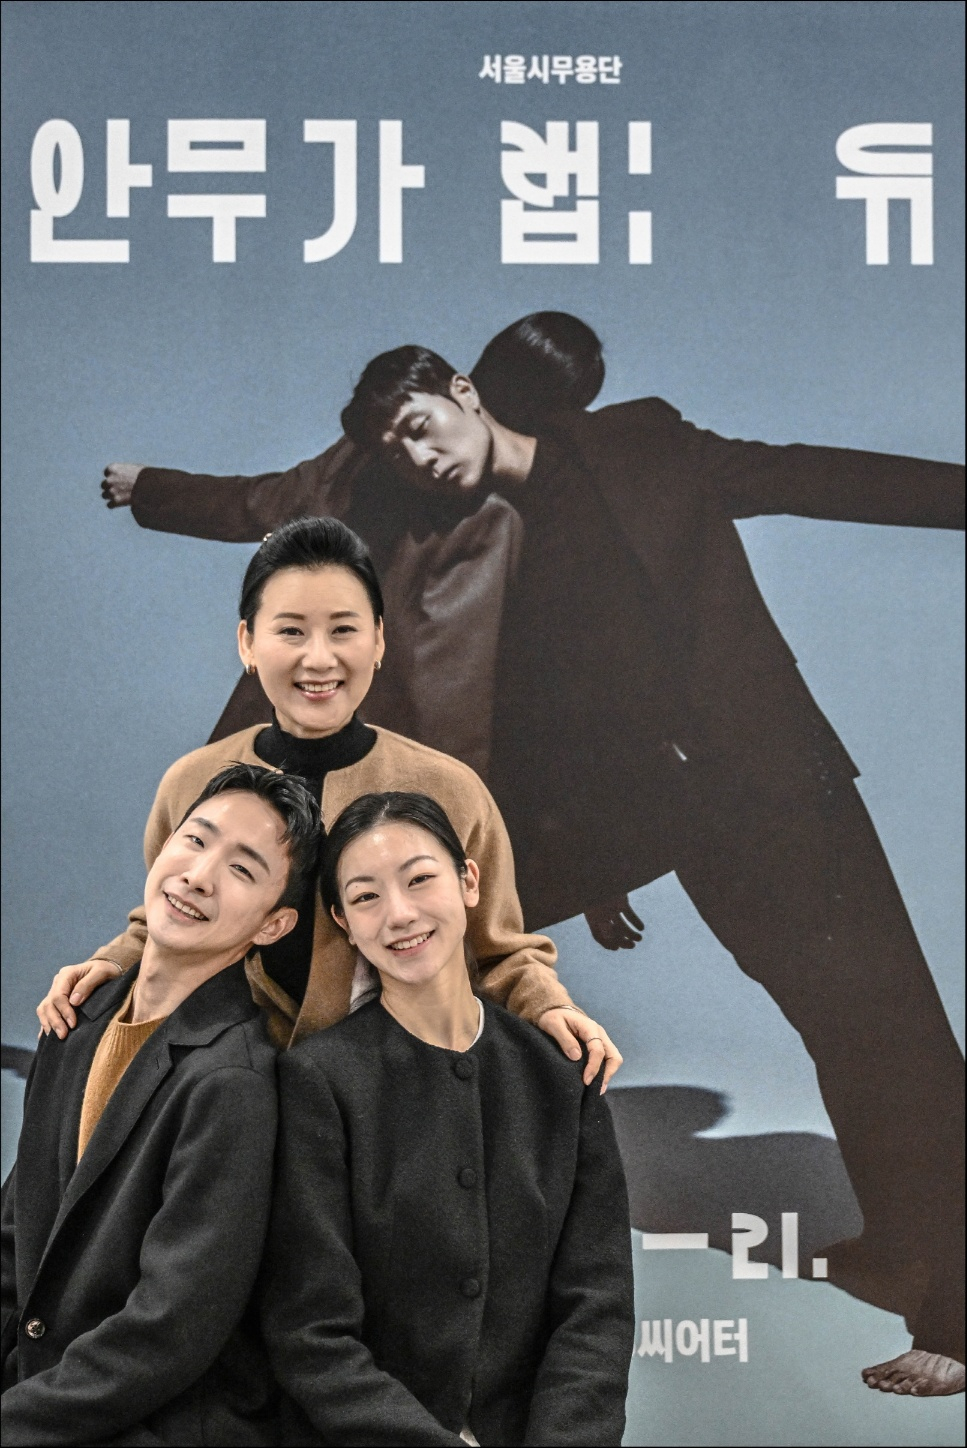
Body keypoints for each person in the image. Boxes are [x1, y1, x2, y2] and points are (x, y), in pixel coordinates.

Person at [334, 342, 966, 1397]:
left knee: (890, 1026)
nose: (414, 456)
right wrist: (601, 861)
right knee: (827, 1016)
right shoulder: (482, 539)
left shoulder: (639, 445)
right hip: (678, 820)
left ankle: (957, 1307)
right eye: (390, 450)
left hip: (779, 785)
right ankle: (905, 1235)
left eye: (415, 425)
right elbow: (556, 710)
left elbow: (816, 474)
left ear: (462, 393)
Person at [96, 312, 629, 947]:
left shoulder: (542, 514)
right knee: (230, 914)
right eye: (404, 441)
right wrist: (152, 489)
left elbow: (551, 700)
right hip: (318, 738)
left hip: (435, 781)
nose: (422, 459)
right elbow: (265, 500)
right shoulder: (377, 456)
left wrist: (589, 865)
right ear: (467, 389)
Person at [36, 516, 620, 1084]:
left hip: (384, 1095)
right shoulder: (195, 781)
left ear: (379, 641)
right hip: (219, 1088)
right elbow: (168, 918)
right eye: (291, 631)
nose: (319, 659)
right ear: (248, 642)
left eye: (343, 629)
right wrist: (109, 965)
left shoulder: (449, 788)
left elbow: (499, 951)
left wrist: (548, 1007)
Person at [261, 790, 635, 1447]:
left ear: (467, 880)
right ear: (343, 921)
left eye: (419, 879)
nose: (398, 914)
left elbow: (594, 1309)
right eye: (366, 896)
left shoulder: (557, 1075)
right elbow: (310, 1331)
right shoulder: (317, 1082)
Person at [1, 763, 322, 1446]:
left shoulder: (233, 1081)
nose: (199, 876)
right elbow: (15, 1238)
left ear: (274, 923)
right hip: (39, 1399)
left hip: (151, 1424)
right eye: (195, 840)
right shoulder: (75, 1021)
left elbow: (169, 1326)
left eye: (242, 870)